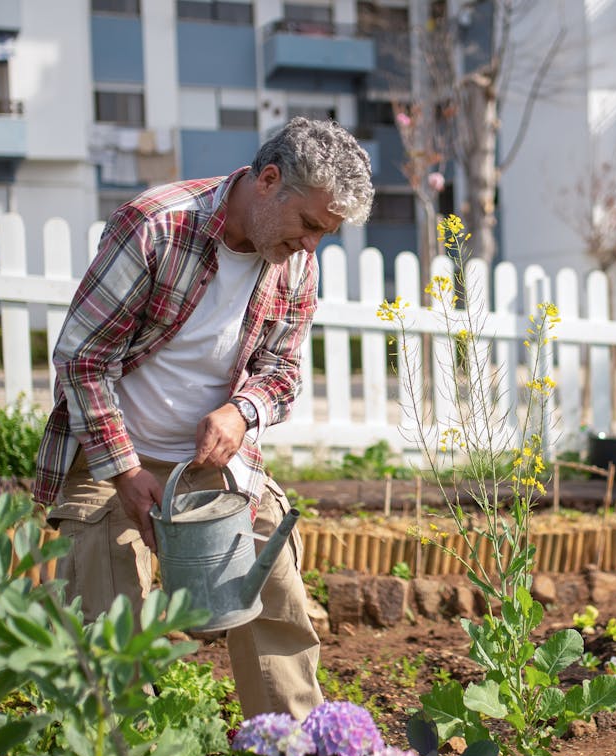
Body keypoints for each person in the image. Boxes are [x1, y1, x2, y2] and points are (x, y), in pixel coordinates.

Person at [33, 118, 373, 718]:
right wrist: (124, 471)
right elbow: (82, 360)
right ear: (268, 181)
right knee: (110, 631)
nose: (312, 245)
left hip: (214, 462)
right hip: (111, 458)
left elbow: (283, 374)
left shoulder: (294, 261)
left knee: (276, 600)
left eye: (327, 233)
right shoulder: (158, 226)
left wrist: (243, 413)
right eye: (310, 225)